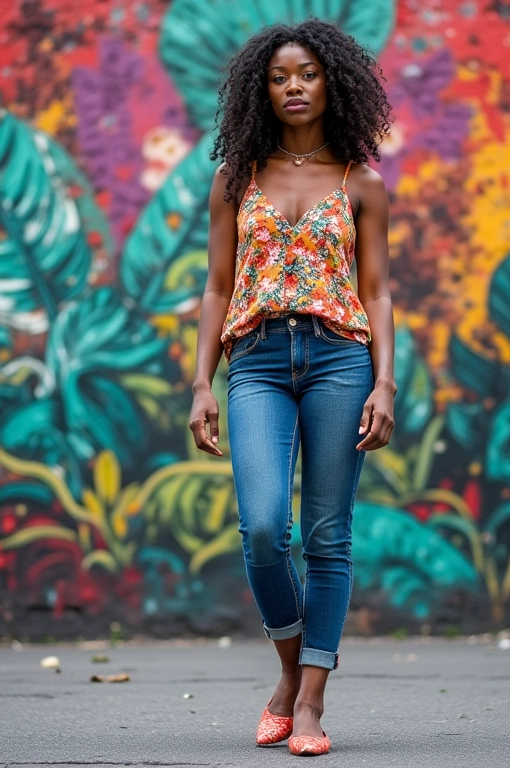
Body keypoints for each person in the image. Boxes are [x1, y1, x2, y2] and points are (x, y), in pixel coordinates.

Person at [189, 18, 395, 757]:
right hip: (259, 361)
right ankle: (288, 670)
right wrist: (201, 384)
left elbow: (377, 292)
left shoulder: (361, 180)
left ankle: (307, 705)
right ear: (261, 90)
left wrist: (387, 384)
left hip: (343, 360)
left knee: (327, 535)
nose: (295, 87)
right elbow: (217, 288)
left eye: (306, 73)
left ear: (331, 81)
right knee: (266, 527)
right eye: (279, 77)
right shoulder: (235, 178)